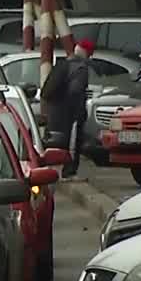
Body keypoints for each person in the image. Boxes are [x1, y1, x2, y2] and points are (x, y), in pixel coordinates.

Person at [41, 37, 92, 178]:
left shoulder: (63, 64)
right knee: (72, 142)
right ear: (87, 53)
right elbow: (76, 90)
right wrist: (79, 112)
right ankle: (69, 172)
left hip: (55, 109)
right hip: (70, 112)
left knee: (55, 141)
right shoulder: (81, 68)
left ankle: (50, 169)